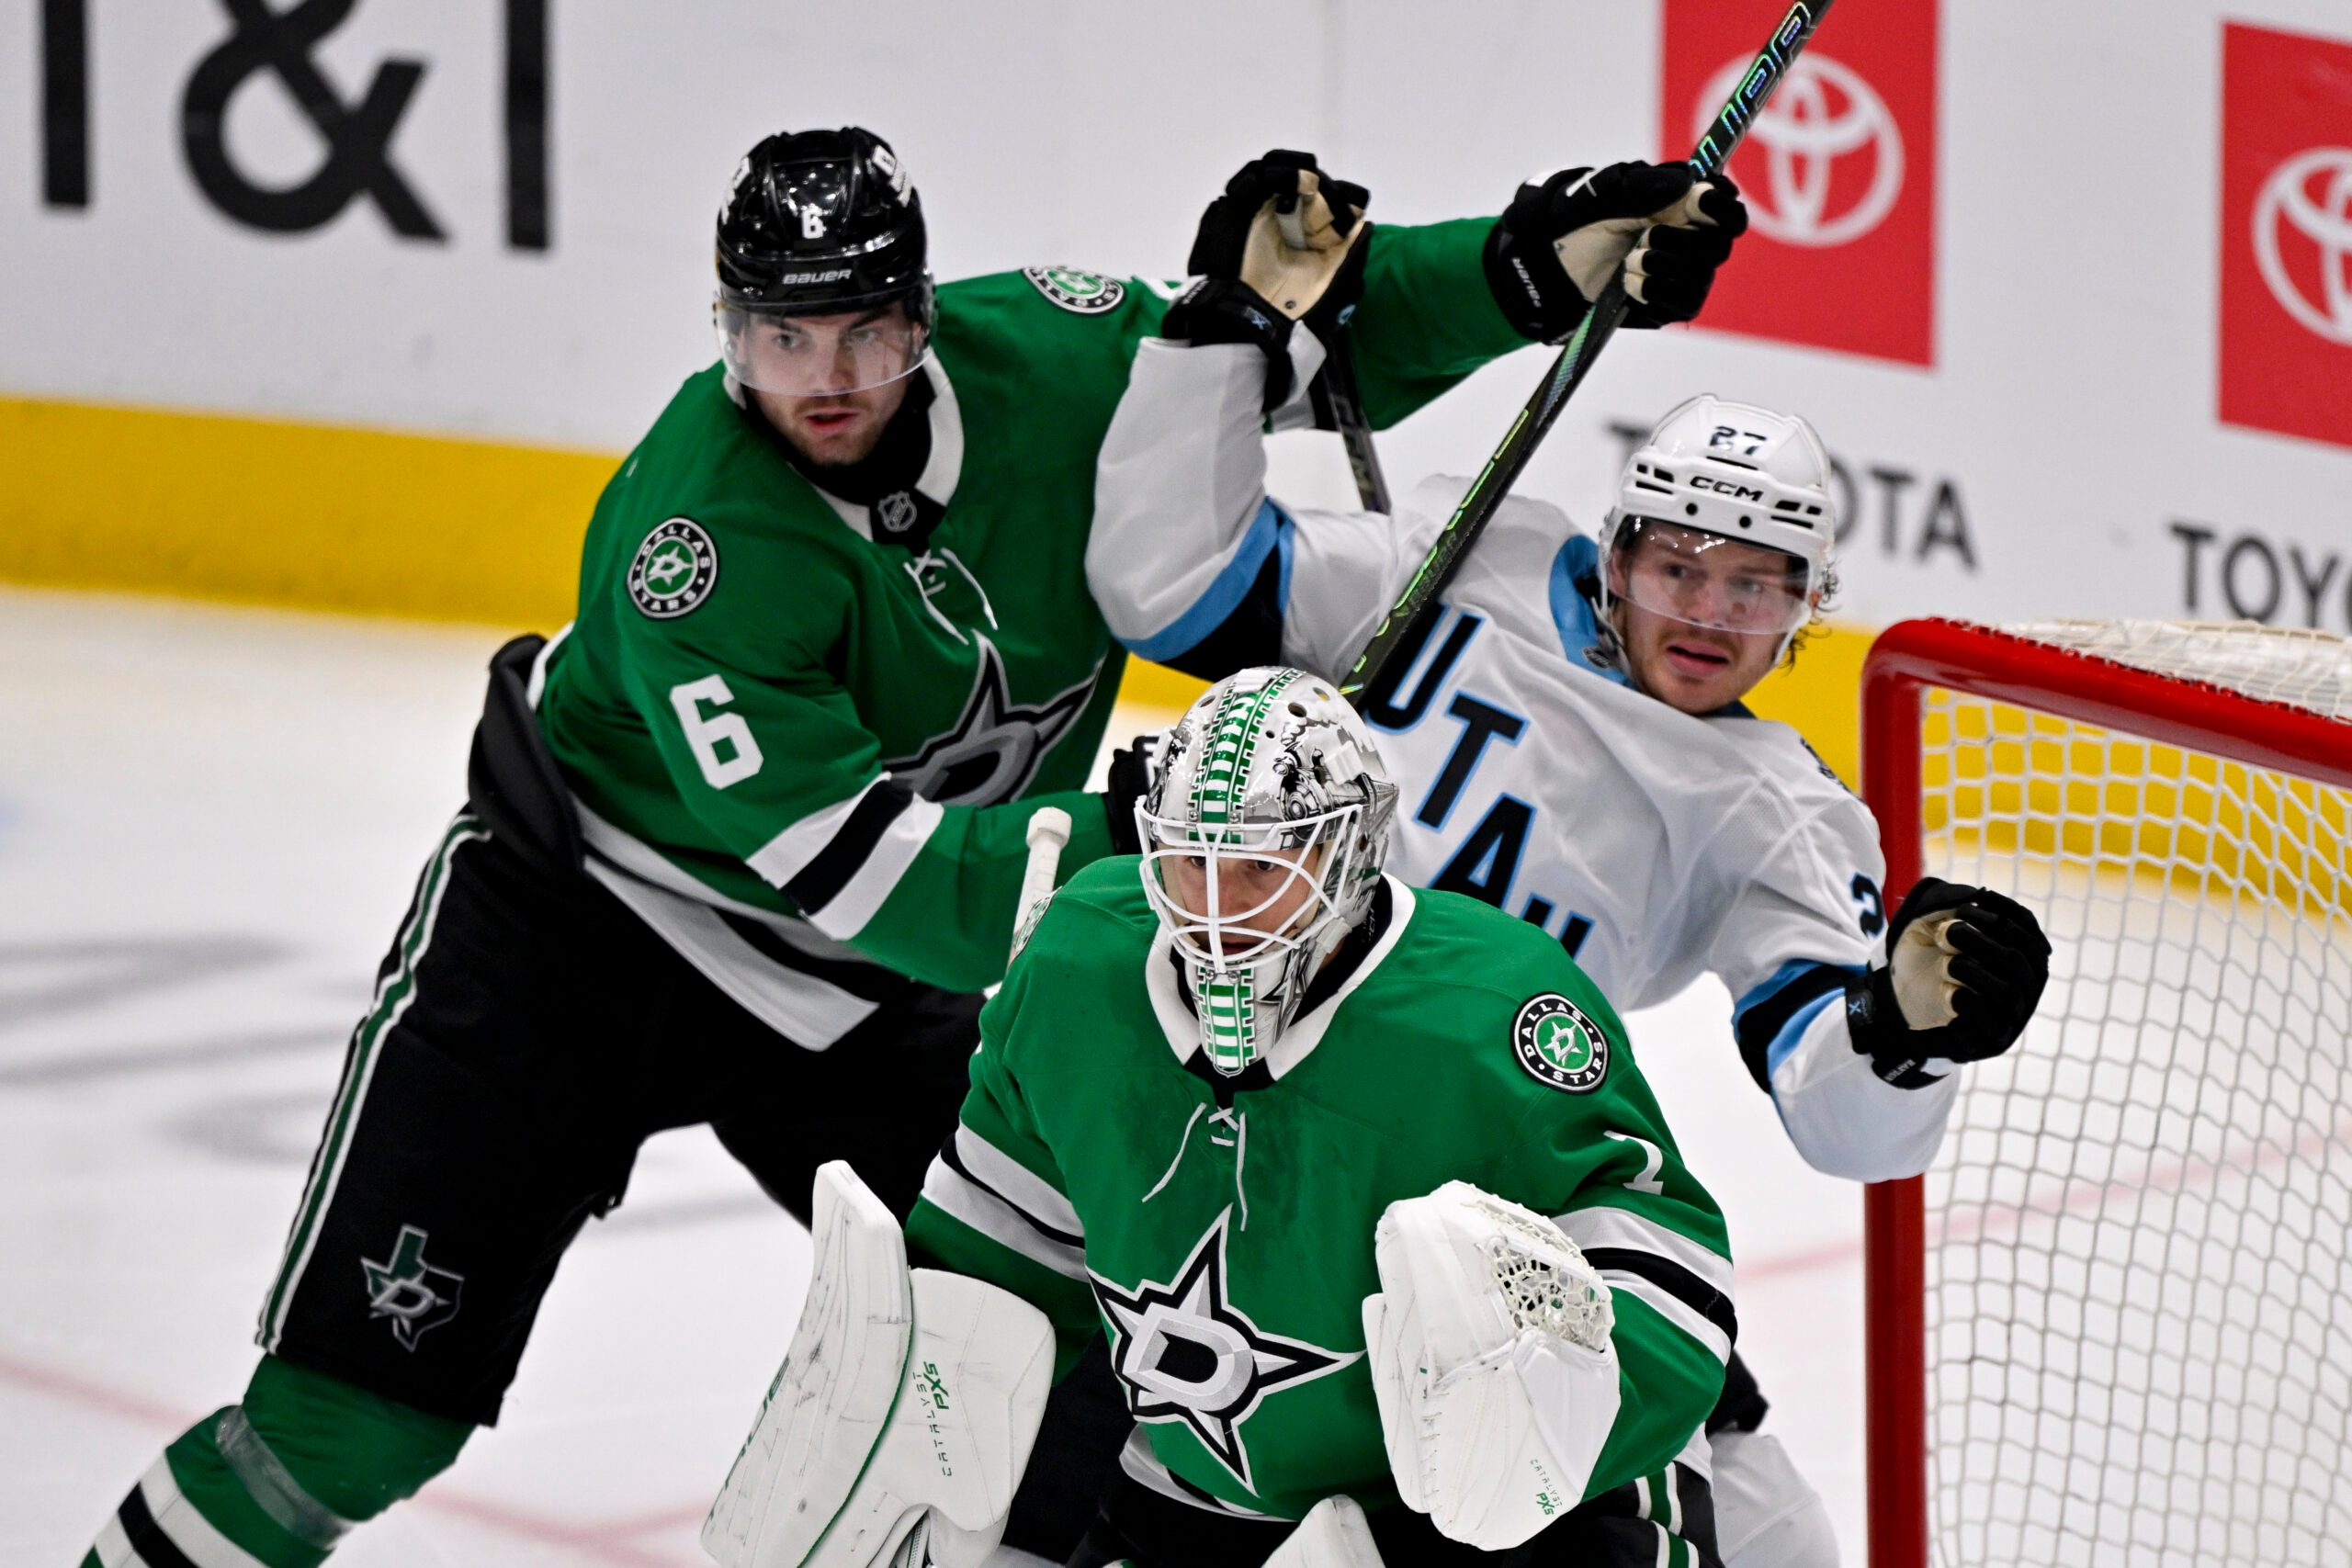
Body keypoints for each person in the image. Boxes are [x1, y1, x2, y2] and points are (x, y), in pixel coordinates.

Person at [77, 129, 1750, 1568]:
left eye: (864, 333)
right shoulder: (692, 548)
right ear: (726, 331)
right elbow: (890, 884)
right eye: (782, 337)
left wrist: (1538, 264)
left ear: (924, 318)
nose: (825, 380)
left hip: (863, 995)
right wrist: (1155, 834)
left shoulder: (1064, 363)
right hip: (576, 929)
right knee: (350, 1427)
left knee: (1122, 1370)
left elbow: (1307, 344)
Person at [1084, 254, 2053, 1562]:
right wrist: (1219, 334)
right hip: (1250, 1096)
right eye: (1680, 568)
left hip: (1499, 1181)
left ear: (1808, 608)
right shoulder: (1457, 562)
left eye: (1757, 584)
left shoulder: (1773, 802)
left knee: (1777, 1538)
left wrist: (1905, 1027)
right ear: (1619, 547)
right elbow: (1169, 583)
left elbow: (1846, 1118)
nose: (1709, 613)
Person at [749, 666, 1736, 1566]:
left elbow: (1669, 1260)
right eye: (1190, 864)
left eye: (1261, 869)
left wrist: (1553, 1418)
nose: (1215, 911)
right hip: (1194, 1491)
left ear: (1346, 854)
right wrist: (898, 1428)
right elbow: (999, 1244)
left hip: (1488, 1516)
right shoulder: (1079, 966)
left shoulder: (1493, 1011)